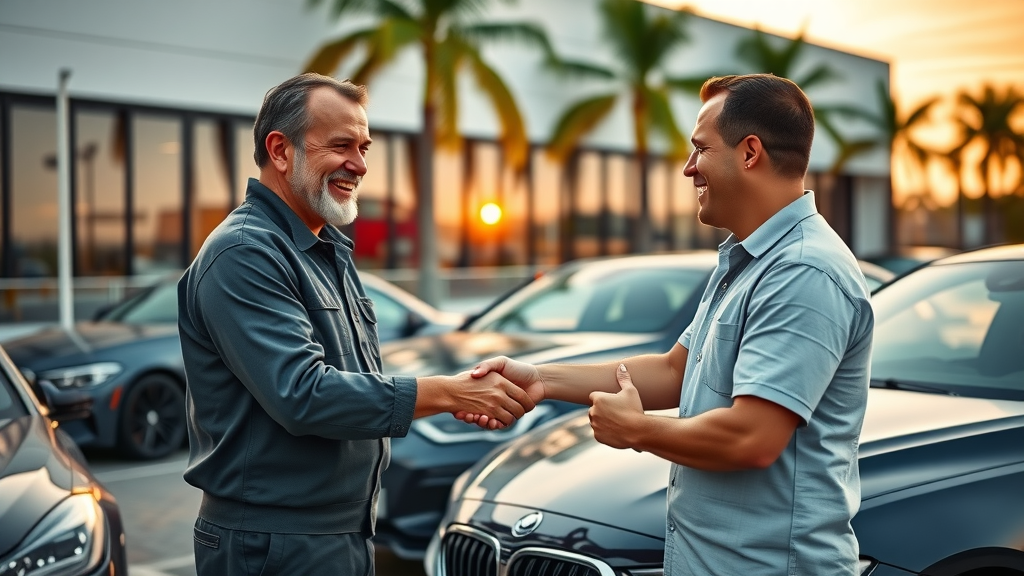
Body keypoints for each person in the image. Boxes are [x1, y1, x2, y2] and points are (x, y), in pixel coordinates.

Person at [465, 74, 874, 575]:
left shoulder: (804, 272)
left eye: (700, 149)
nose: (688, 168)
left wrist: (636, 430)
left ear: (750, 153)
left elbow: (753, 437)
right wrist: (542, 379)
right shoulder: (747, 260)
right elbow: (675, 370)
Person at [177, 73, 535, 576]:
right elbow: (303, 394)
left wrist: (453, 397)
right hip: (275, 546)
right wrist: (452, 394)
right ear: (280, 150)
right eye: (341, 145)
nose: (360, 165)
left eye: (364, 147)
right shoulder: (244, 252)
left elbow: (356, 388)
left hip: (339, 535)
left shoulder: (326, 250)